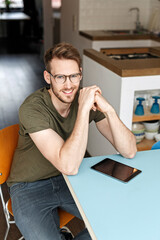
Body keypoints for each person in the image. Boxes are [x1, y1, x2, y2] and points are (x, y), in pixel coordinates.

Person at [7, 42, 137, 240]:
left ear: (81, 74)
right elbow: (68, 165)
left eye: (74, 76)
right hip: (29, 186)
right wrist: (84, 110)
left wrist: (109, 111)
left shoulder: (85, 98)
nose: (69, 85)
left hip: (70, 180)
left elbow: (129, 151)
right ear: (47, 77)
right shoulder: (32, 108)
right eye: (60, 77)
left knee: (117, 221)